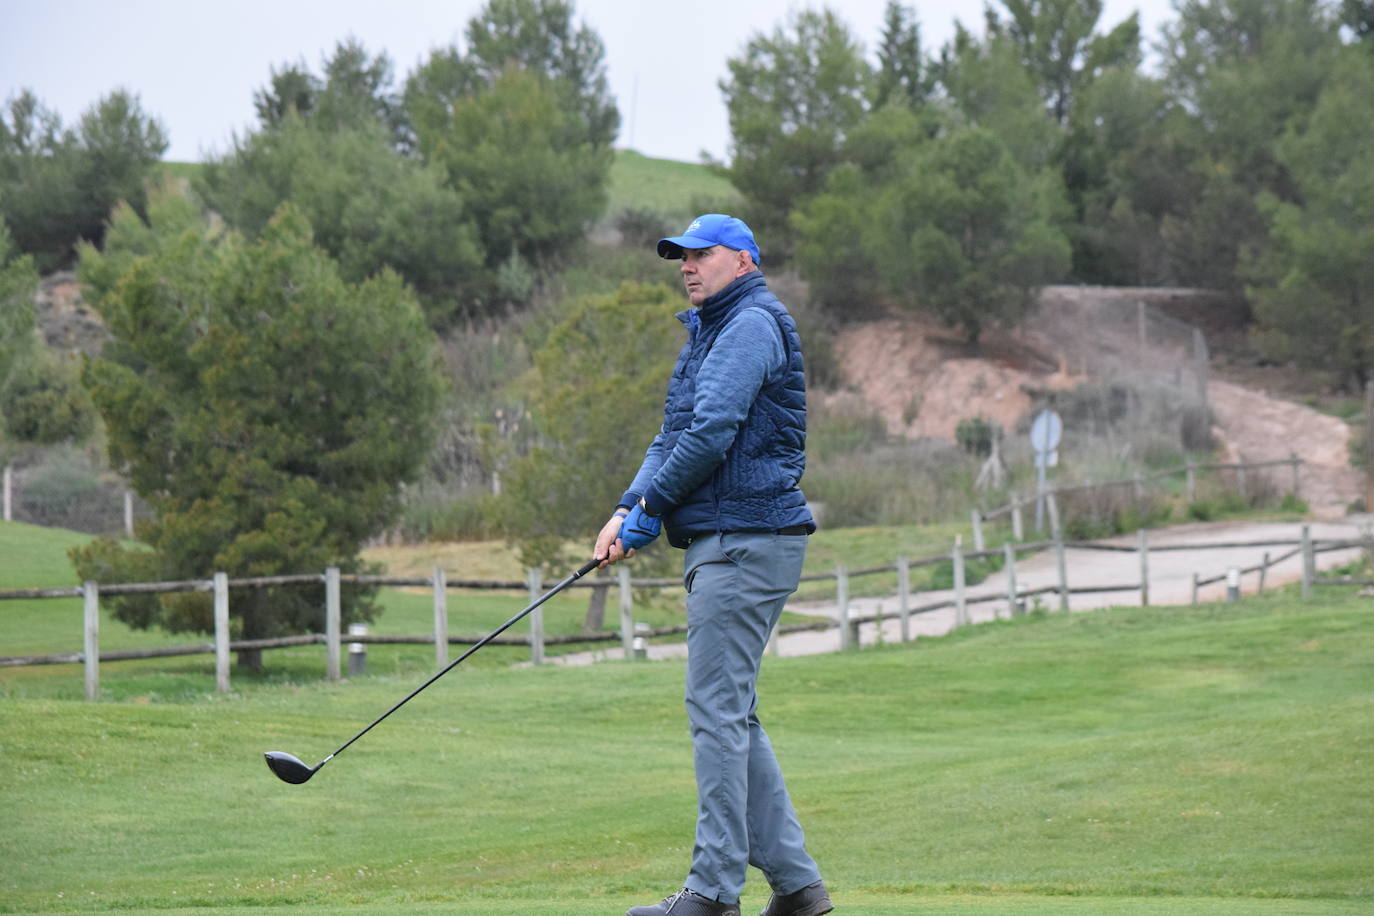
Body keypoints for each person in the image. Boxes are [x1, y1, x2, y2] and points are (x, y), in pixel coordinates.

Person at [594, 214, 833, 916]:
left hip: (745, 538)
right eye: (680, 257)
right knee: (734, 714)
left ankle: (711, 894)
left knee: (717, 713)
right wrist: (626, 507)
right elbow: (672, 433)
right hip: (730, 538)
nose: (687, 266)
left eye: (702, 254)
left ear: (744, 259)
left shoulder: (752, 324)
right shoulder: (709, 332)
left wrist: (649, 515)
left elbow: (711, 433)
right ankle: (798, 889)